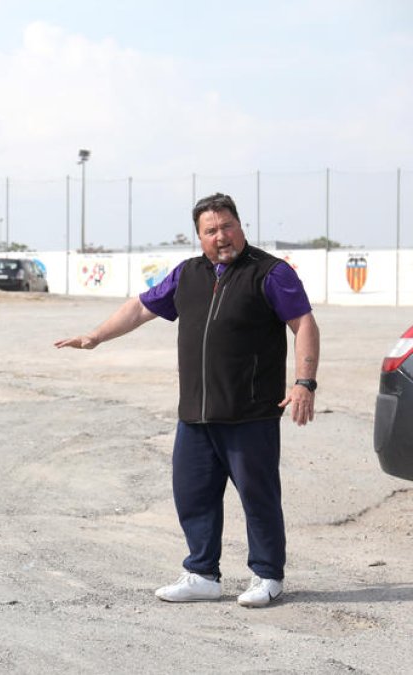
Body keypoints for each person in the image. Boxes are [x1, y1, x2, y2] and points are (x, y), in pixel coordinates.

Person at [54, 193, 319, 608]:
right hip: (195, 414)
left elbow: (303, 323)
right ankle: (201, 574)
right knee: (192, 493)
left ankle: (267, 575)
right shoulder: (187, 274)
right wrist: (96, 336)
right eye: (211, 230)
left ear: (240, 226)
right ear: (199, 237)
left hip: (249, 413)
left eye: (227, 226)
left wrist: (304, 382)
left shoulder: (270, 273)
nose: (221, 236)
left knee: (258, 496)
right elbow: (141, 308)